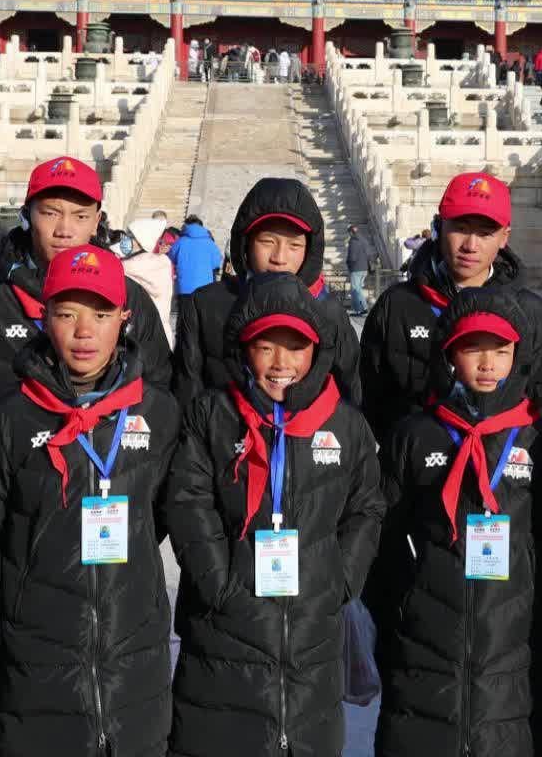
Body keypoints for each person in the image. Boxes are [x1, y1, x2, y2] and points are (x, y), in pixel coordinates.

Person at [0, 243, 182, 753]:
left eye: (101, 314)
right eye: (67, 314)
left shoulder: (157, 413)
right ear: (44, 317)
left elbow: (159, 517)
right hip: (38, 657)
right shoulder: (9, 417)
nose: (84, 331)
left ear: (125, 318)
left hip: (132, 655)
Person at [165, 275, 385, 756]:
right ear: (244, 349)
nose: (281, 363)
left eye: (295, 347)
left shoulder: (344, 423)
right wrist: (218, 582)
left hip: (312, 632)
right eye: (266, 347)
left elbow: (366, 505)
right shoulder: (213, 413)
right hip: (226, 627)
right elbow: (188, 499)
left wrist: (341, 579)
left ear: (317, 351)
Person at [367, 288, 542, 757]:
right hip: (427, 642)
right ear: (448, 353)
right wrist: (408, 601)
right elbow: (382, 534)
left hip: (514, 639)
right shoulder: (416, 435)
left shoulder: (541, 441)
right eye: (473, 348)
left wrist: (524, 583)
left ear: (518, 355)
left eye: (501, 350)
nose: (487, 363)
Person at [0, 156, 172, 414]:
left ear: (97, 221)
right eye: (50, 213)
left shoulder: (128, 295)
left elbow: (159, 391)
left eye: (80, 216)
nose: (64, 230)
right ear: (27, 215)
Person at [360, 171, 542, 436]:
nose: (471, 245)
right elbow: (373, 396)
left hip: (504, 459)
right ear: (439, 226)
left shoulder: (531, 313)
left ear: (504, 237)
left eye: (485, 233)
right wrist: (413, 449)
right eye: (460, 229)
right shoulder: (398, 305)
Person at [173, 178, 360, 408]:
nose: (279, 258)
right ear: (246, 243)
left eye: (294, 245)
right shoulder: (206, 305)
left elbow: (350, 395)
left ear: (310, 250)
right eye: (267, 241)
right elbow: (187, 388)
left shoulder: (328, 311)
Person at [124, 215, 177, 326]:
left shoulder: (135, 265)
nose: (126, 240)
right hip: (157, 326)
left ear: (141, 241)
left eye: (131, 237)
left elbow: (124, 267)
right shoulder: (162, 261)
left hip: (144, 327)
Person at [345, 221, 377, 317]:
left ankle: (360, 309)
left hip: (356, 268)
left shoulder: (353, 241)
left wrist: (349, 265)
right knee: (358, 289)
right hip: (364, 268)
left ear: (351, 232)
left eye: (349, 232)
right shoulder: (364, 240)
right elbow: (370, 254)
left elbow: (352, 257)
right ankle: (360, 308)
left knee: (355, 289)